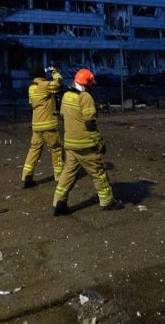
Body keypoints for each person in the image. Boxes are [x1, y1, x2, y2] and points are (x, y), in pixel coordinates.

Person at [52, 68, 123, 215]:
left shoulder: (66, 95)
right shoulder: (85, 97)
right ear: (87, 82)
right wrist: (99, 142)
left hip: (70, 143)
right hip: (85, 145)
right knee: (98, 173)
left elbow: (65, 115)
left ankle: (59, 202)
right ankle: (107, 201)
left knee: (68, 174)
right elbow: (90, 123)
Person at [21, 65, 63, 188]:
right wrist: (54, 72)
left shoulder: (31, 88)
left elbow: (32, 103)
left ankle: (27, 177)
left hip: (36, 125)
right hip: (48, 124)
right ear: (42, 75)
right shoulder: (44, 85)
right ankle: (59, 176)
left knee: (34, 150)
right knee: (56, 149)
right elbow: (58, 83)